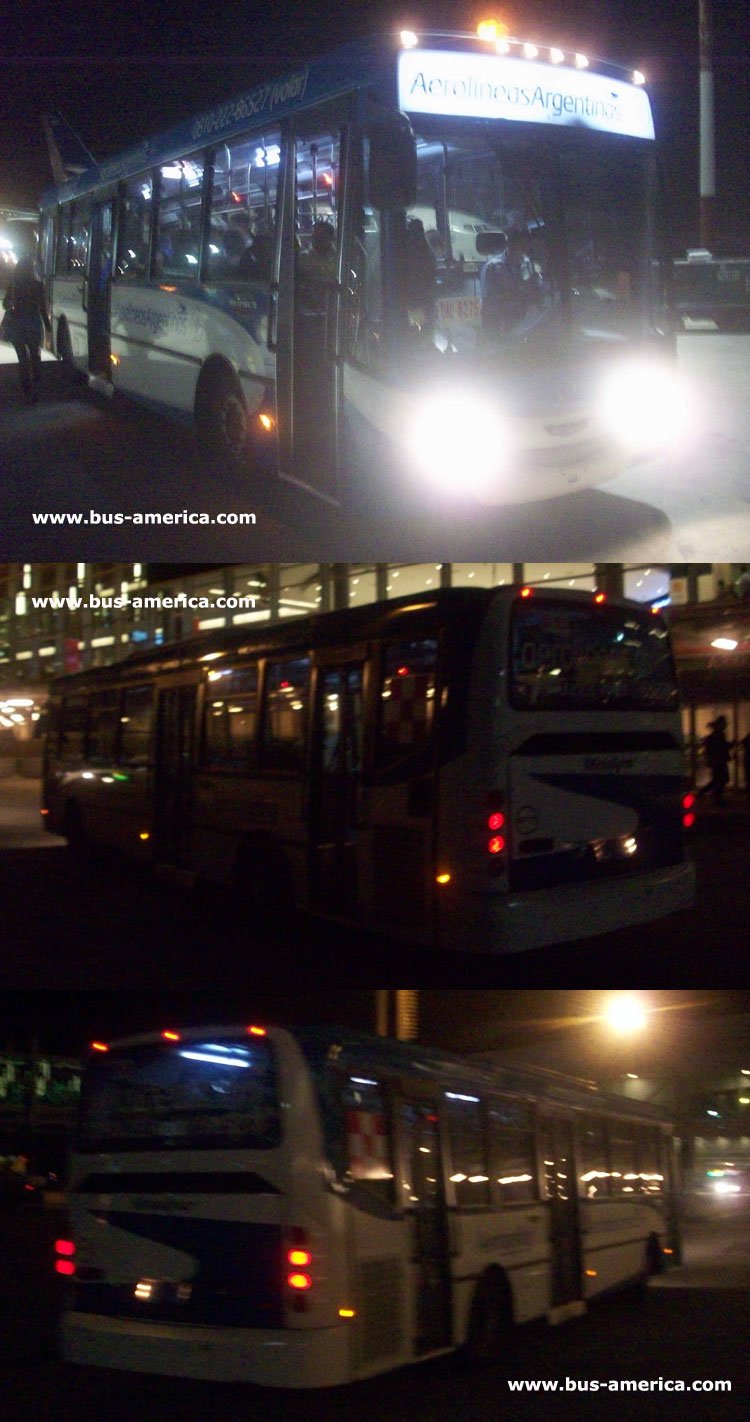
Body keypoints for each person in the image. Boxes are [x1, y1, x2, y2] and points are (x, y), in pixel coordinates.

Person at [2, 254, 51, 403]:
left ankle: (27, 390)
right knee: (35, 356)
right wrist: (48, 326)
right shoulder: (38, 286)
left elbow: (5, 304)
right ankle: (36, 387)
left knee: (22, 358)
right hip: (33, 323)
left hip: (17, 324)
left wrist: (12, 305)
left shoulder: (14, 285)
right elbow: (42, 307)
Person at [480, 228, 539, 335]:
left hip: (526, 324)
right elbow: (489, 302)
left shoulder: (527, 264)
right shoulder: (493, 267)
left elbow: (533, 291)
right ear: (509, 243)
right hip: (501, 325)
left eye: (525, 245)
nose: (523, 248)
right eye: (519, 243)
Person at [700, 715, 732, 804]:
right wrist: (729, 745)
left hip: (717, 760)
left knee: (719, 779)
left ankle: (710, 794)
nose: (726, 725)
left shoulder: (718, 734)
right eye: (724, 723)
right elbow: (720, 746)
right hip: (718, 760)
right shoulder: (718, 734)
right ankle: (716, 797)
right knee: (721, 778)